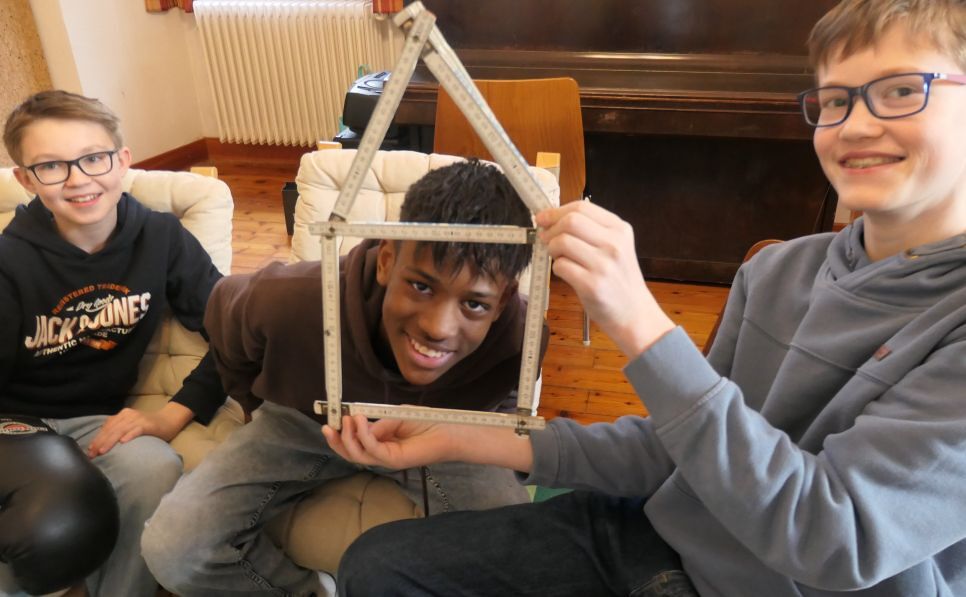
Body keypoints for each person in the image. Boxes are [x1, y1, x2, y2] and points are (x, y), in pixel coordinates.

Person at [324, 0, 966, 595]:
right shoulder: (777, 272)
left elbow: (833, 537)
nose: (855, 125)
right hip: (659, 534)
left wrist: (640, 322)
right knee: (376, 567)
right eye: (834, 101)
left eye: (901, 91)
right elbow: (676, 446)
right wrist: (461, 437)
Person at [141, 158, 549, 596]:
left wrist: (479, 436)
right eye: (421, 286)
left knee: (518, 553)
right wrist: (253, 405)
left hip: (441, 431)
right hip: (304, 419)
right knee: (173, 546)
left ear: (503, 301)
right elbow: (226, 327)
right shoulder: (288, 299)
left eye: (474, 304)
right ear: (387, 261)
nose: (439, 327)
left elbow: (505, 400)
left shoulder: (522, 336)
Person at [0, 90, 226, 597]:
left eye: (93, 158)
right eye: (51, 166)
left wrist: (172, 415)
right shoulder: (8, 261)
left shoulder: (162, 237)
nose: (79, 179)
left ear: (122, 160)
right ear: (26, 179)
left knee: (154, 467)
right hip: (13, 424)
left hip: (95, 420)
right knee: (45, 528)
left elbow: (237, 335)